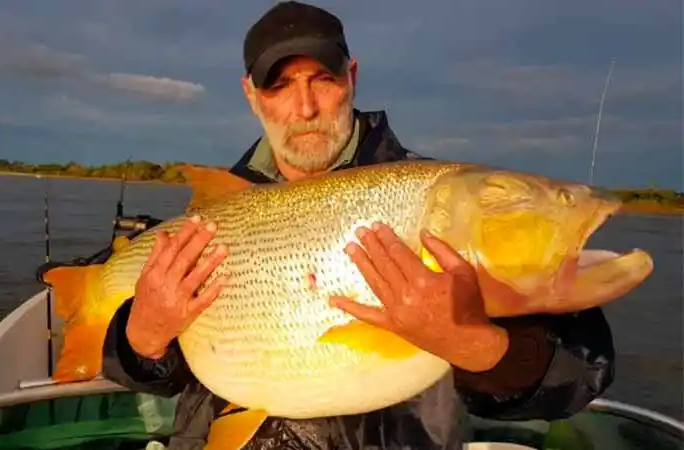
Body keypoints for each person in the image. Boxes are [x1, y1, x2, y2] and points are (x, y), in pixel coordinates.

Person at [101, 2, 616, 448]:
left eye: (322, 79)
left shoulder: (445, 200)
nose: (304, 107)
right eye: (279, 85)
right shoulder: (214, 216)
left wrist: (473, 343)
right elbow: (137, 369)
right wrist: (142, 339)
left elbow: (583, 372)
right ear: (251, 95)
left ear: (352, 77)